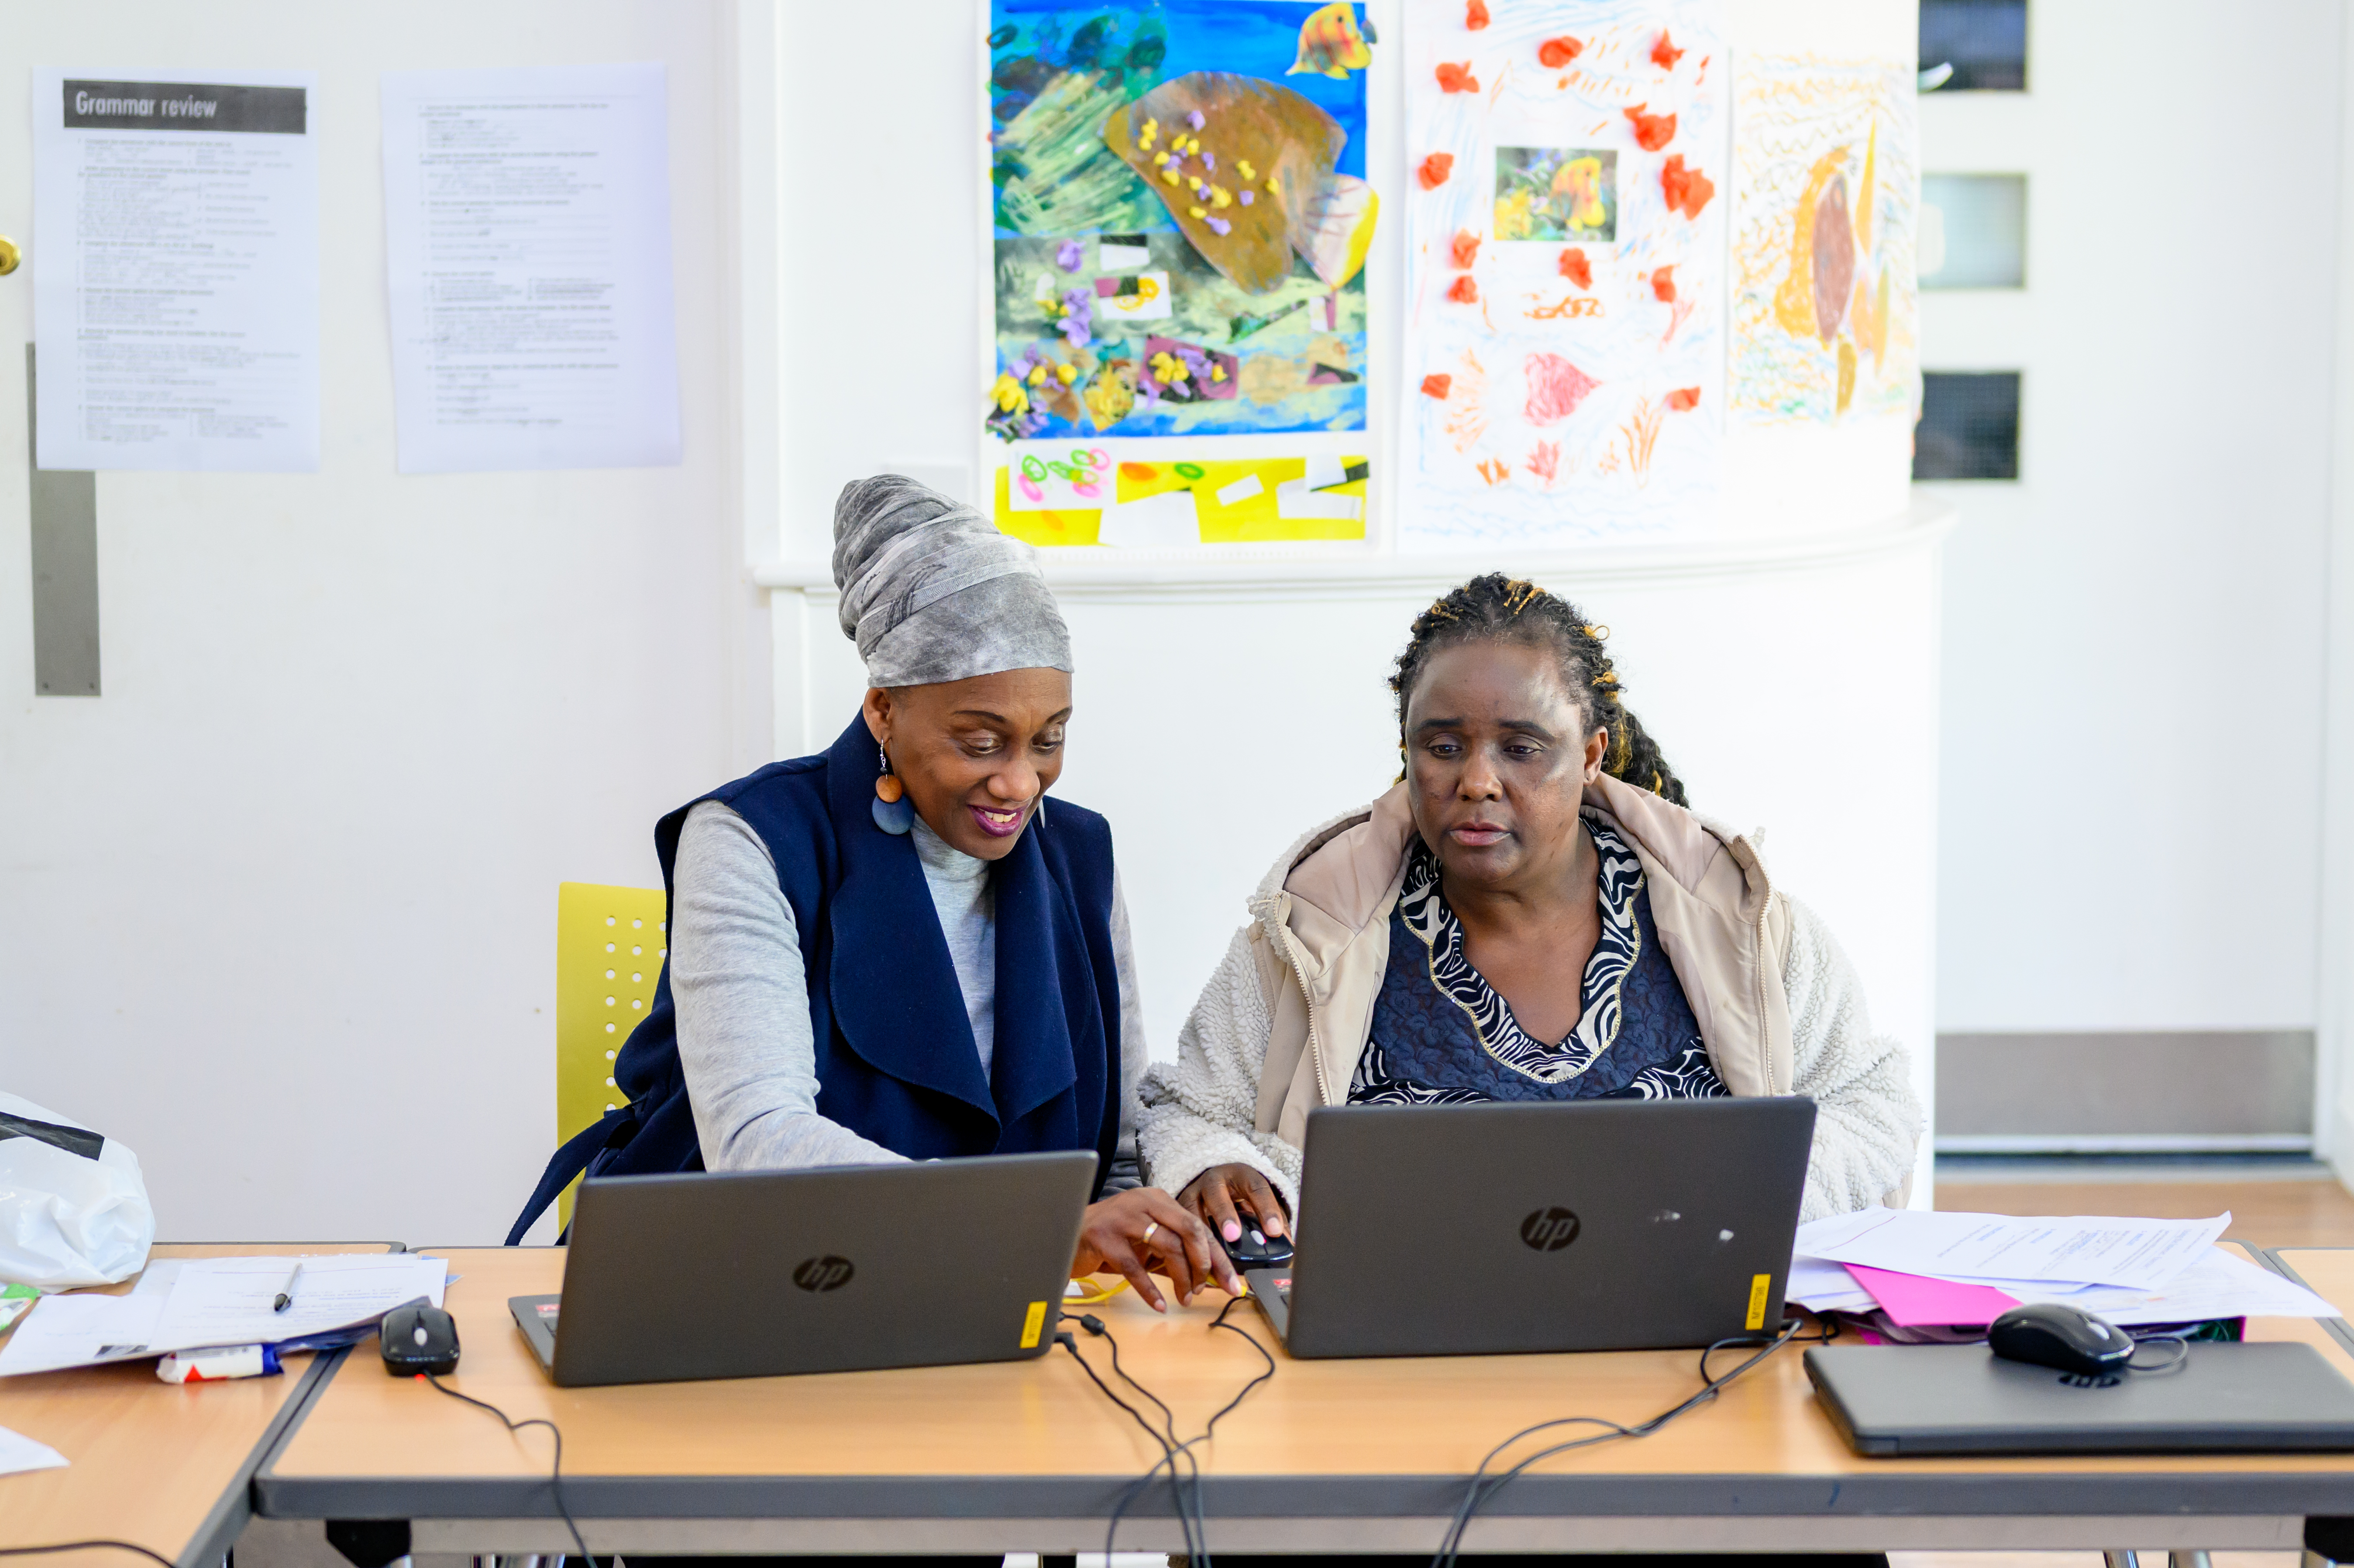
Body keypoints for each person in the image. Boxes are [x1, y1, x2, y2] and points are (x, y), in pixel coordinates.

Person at [509, 475, 1232, 1314]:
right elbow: (756, 1140)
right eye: (980, 740)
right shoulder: (752, 839)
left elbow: (1117, 1149)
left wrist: (1188, 1194)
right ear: (884, 710)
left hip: (997, 1307)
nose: (1018, 782)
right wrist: (1028, 1230)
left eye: (1049, 740)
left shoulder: (1079, 855)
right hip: (745, 1291)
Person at [1138, 572, 1922, 1255]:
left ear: (1589, 756)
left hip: (1692, 1342)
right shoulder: (1312, 934)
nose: (1477, 780)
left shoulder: (1738, 923)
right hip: (1396, 1358)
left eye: (1522, 748)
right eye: (1443, 747)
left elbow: (1872, 1103)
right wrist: (1208, 1167)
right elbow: (1187, 1112)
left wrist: (1736, 1209)